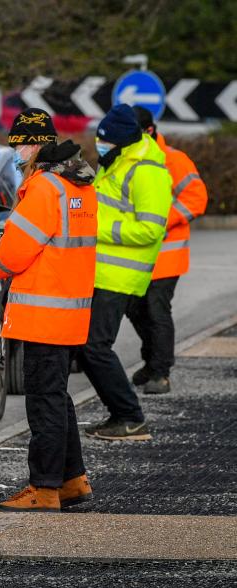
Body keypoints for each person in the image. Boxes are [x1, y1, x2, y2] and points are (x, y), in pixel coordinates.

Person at [0, 108, 98, 512]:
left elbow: (14, 253)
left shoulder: (44, 188)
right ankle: (72, 481)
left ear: (34, 145)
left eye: (17, 144)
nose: (15, 153)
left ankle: (45, 488)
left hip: (43, 314)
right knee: (57, 398)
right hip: (68, 311)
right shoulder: (79, 186)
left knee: (44, 403)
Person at [81, 104, 172, 442]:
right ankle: (123, 415)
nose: (99, 146)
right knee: (87, 347)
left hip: (118, 275)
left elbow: (151, 229)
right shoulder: (120, 160)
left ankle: (130, 417)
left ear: (120, 141)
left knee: (94, 347)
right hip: (100, 271)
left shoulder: (148, 171)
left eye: (104, 142)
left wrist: (97, 227)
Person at [127, 107, 208, 395]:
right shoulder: (130, 160)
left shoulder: (173, 160)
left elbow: (197, 198)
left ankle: (160, 372)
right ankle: (153, 362)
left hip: (165, 256)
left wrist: (161, 221)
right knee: (134, 308)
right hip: (137, 255)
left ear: (149, 131)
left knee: (156, 309)